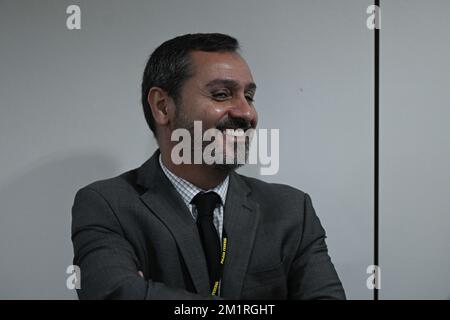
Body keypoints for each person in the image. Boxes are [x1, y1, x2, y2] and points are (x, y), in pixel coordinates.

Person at [71, 33, 346, 300]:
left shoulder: (292, 209)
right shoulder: (107, 205)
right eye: (222, 94)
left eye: (249, 96)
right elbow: (113, 294)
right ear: (163, 106)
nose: (246, 113)